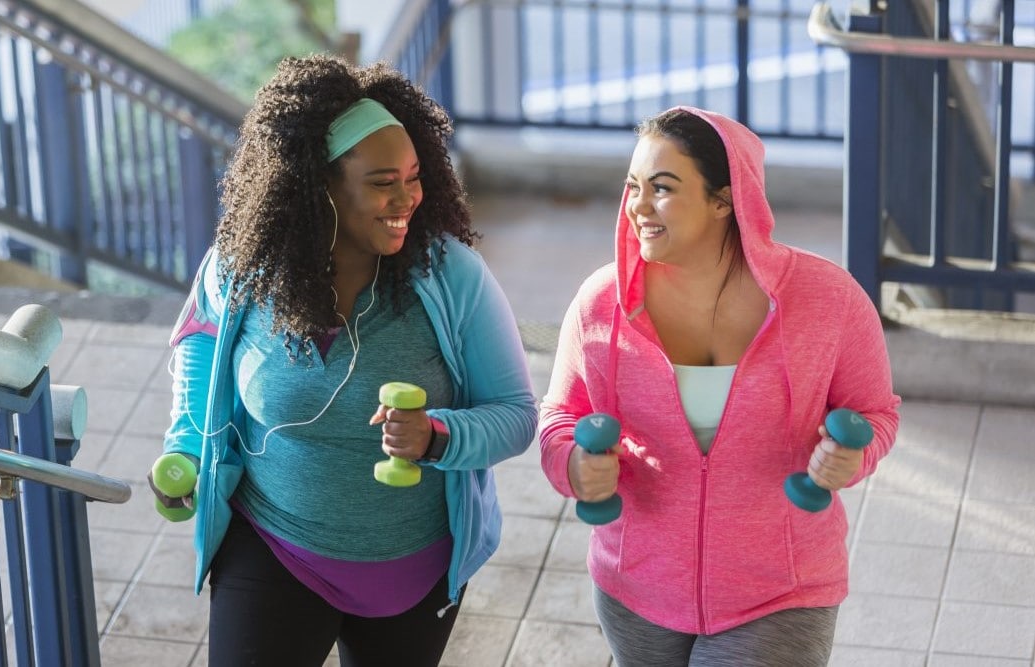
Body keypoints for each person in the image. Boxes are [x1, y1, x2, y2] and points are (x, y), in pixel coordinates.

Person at [152, 54, 538, 666]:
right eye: (384, 182)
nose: (408, 198)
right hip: (275, 549)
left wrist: (438, 436)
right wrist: (185, 447)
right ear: (319, 186)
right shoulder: (245, 265)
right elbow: (202, 341)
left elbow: (517, 416)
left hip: (412, 572)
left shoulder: (452, 277)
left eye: (415, 177)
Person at [538, 106, 901, 665]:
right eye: (633, 186)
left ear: (724, 200)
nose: (637, 206)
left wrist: (853, 458)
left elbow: (876, 413)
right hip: (635, 588)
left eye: (662, 188)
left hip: (780, 591)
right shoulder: (601, 303)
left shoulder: (828, 301)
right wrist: (572, 466)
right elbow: (561, 416)